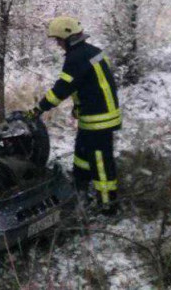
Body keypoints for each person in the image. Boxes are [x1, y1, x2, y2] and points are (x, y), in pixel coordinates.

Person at [27, 16, 121, 216]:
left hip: (98, 121)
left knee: (100, 163)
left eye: (59, 40)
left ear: (68, 37)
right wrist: (79, 107)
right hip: (98, 116)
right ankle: (81, 189)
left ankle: (108, 206)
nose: (58, 45)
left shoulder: (75, 59)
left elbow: (61, 89)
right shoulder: (94, 52)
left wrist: (38, 109)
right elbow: (92, 85)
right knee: (82, 156)